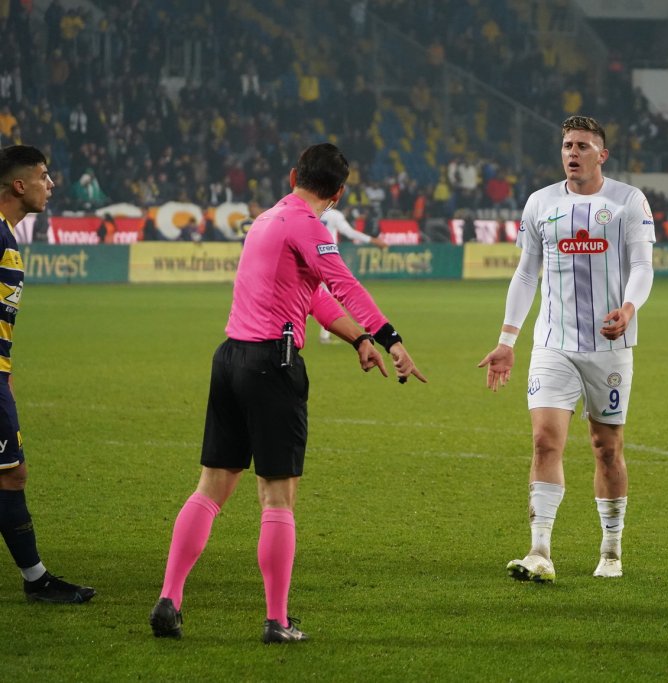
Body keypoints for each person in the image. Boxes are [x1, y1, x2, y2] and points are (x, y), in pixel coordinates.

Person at [149, 143, 427, 644]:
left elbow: (314, 294)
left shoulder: (267, 219)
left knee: (211, 485)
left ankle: (170, 597)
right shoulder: (310, 226)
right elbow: (343, 284)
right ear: (339, 193)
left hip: (230, 357)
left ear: (294, 174)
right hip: (272, 366)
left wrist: (359, 339)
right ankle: (276, 621)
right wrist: (391, 339)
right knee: (278, 496)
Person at [477, 116, 655, 582]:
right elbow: (525, 274)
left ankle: (611, 550)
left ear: (602, 154)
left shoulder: (627, 201)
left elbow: (642, 264)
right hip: (552, 344)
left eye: (581, 146)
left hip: (609, 346)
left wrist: (630, 307)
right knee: (544, 441)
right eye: (566, 145)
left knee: (606, 449)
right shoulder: (541, 203)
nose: (572, 153)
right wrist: (507, 341)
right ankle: (539, 551)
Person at [0, 144, 95, 603]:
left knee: (11, 474)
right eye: (43, 175)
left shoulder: (7, 237)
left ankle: (35, 578)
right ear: (19, 185)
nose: (51, 184)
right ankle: (36, 581)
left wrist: (6, 373)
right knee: (11, 475)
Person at [317, 205, 386, 343]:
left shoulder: (310, 210)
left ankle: (298, 332)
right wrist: (372, 240)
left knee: (310, 296)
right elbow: (349, 232)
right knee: (328, 298)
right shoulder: (334, 214)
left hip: (308, 256)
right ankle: (321, 335)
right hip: (326, 258)